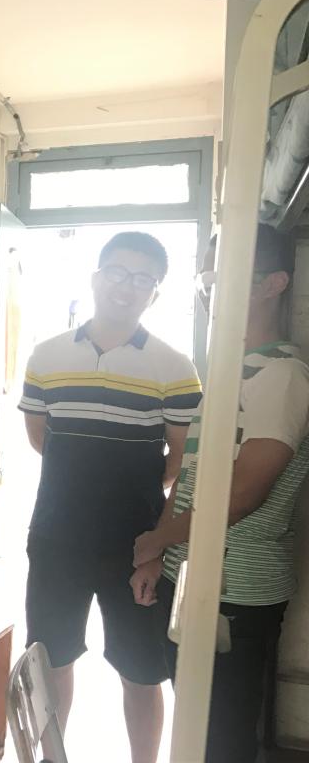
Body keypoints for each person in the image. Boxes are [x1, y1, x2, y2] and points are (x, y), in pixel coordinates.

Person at [18, 232, 202, 763]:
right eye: (118, 273)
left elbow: (183, 463)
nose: (127, 287)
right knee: (52, 661)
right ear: (97, 277)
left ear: (156, 293)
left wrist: (155, 541)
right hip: (56, 537)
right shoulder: (47, 356)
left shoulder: (174, 366)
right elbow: (41, 439)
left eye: (143, 279)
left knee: (141, 671)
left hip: (136, 543)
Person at [132, 224, 309, 763]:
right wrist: (160, 553)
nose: (212, 291)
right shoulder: (232, 371)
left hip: (237, 591)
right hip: (192, 580)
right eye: (207, 279)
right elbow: (192, 477)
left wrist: (157, 539)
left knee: (221, 740)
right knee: (197, 726)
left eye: (225, 277)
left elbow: (244, 493)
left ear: (274, 284)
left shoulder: (282, 375)